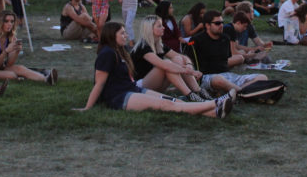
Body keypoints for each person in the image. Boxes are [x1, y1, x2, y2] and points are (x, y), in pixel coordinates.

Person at [76, 22, 233, 118]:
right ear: (111, 35)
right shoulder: (107, 54)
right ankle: (215, 103)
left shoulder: (119, 51)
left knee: (172, 100)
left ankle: (213, 112)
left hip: (132, 89)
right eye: (122, 33)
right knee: (167, 106)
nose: (126, 35)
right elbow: (99, 84)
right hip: (119, 97)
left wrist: (188, 67)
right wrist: (87, 107)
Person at [130, 16, 209, 102]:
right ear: (150, 29)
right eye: (159, 26)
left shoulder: (159, 44)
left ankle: (197, 90)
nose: (163, 28)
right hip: (140, 86)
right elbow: (164, 65)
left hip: (154, 83)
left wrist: (189, 65)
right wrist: (191, 72)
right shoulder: (143, 46)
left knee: (177, 58)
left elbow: (183, 57)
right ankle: (190, 95)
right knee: (167, 63)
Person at [189, 10, 267, 95]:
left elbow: (226, 61)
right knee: (219, 80)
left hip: (227, 75)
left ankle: (235, 91)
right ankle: (241, 92)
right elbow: (189, 61)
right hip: (207, 77)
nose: (221, 25)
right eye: (217, 23)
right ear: (207, 25)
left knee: (262, 77)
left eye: (222, 22)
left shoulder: (225, 38)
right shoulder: (196, 40)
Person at [0, 12, 57, 84]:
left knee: (20, 68)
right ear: (0, 23)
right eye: (6, 21)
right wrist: (6, 51)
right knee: (11, 75)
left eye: (12, 21)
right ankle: (26, 77)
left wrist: (16, 51)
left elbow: (9, 64)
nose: (9, 24)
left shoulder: (11, 38)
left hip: (2, 67)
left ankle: (46, 79)